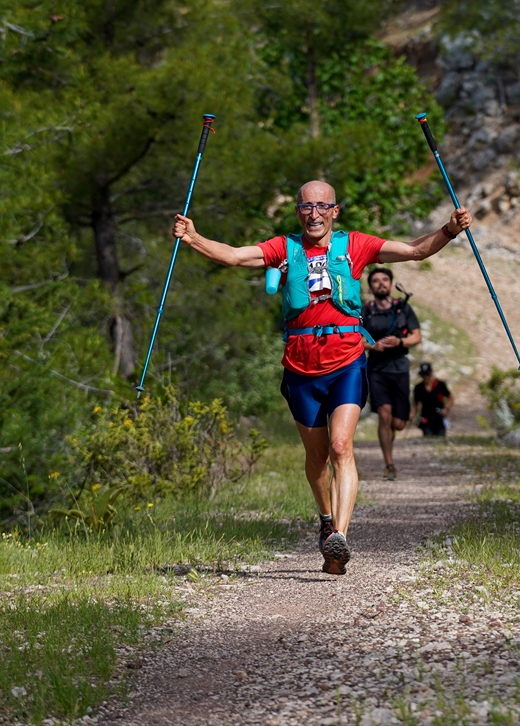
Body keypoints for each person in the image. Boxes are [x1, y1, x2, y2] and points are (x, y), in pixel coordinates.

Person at [171, 180, 471, 575]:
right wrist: (192, 238)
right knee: (317, 458)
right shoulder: (284, 248)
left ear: (335, 211)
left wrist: (449, 230)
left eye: (321, 206)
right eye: (306, 207)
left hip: (347, 360)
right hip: (300, 367)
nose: (313, 213)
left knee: (341, 445)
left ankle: (339, 540)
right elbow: (233, 256)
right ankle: (326, 518)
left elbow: (414, 250)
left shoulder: (357, 245)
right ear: (298, 212)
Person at [361, 268, 421, 481]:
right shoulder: (365, 311)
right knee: (384, 415)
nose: (381, 284)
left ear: (391, 283)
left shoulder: (403, 309)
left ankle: (389, 439)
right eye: (376, 281)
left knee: (398, 423)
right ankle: (389, 464)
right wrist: (371, 346)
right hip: (376, 369)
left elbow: (416, 336)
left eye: (385, 280)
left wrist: (399, 342)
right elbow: (354, 339)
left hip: (400, 369)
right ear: (370, 287)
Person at [413, 362, 452, 437]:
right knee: (428, 437)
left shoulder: (440, 385)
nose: (425, 377)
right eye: (423, 375)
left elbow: (450, 398)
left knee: (440, 437)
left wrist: (446, 408)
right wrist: (412, 414)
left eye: (427, 374)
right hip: (426, 418)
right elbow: (415, 403)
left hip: (439, 418)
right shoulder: (418, 388)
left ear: (431, 373)